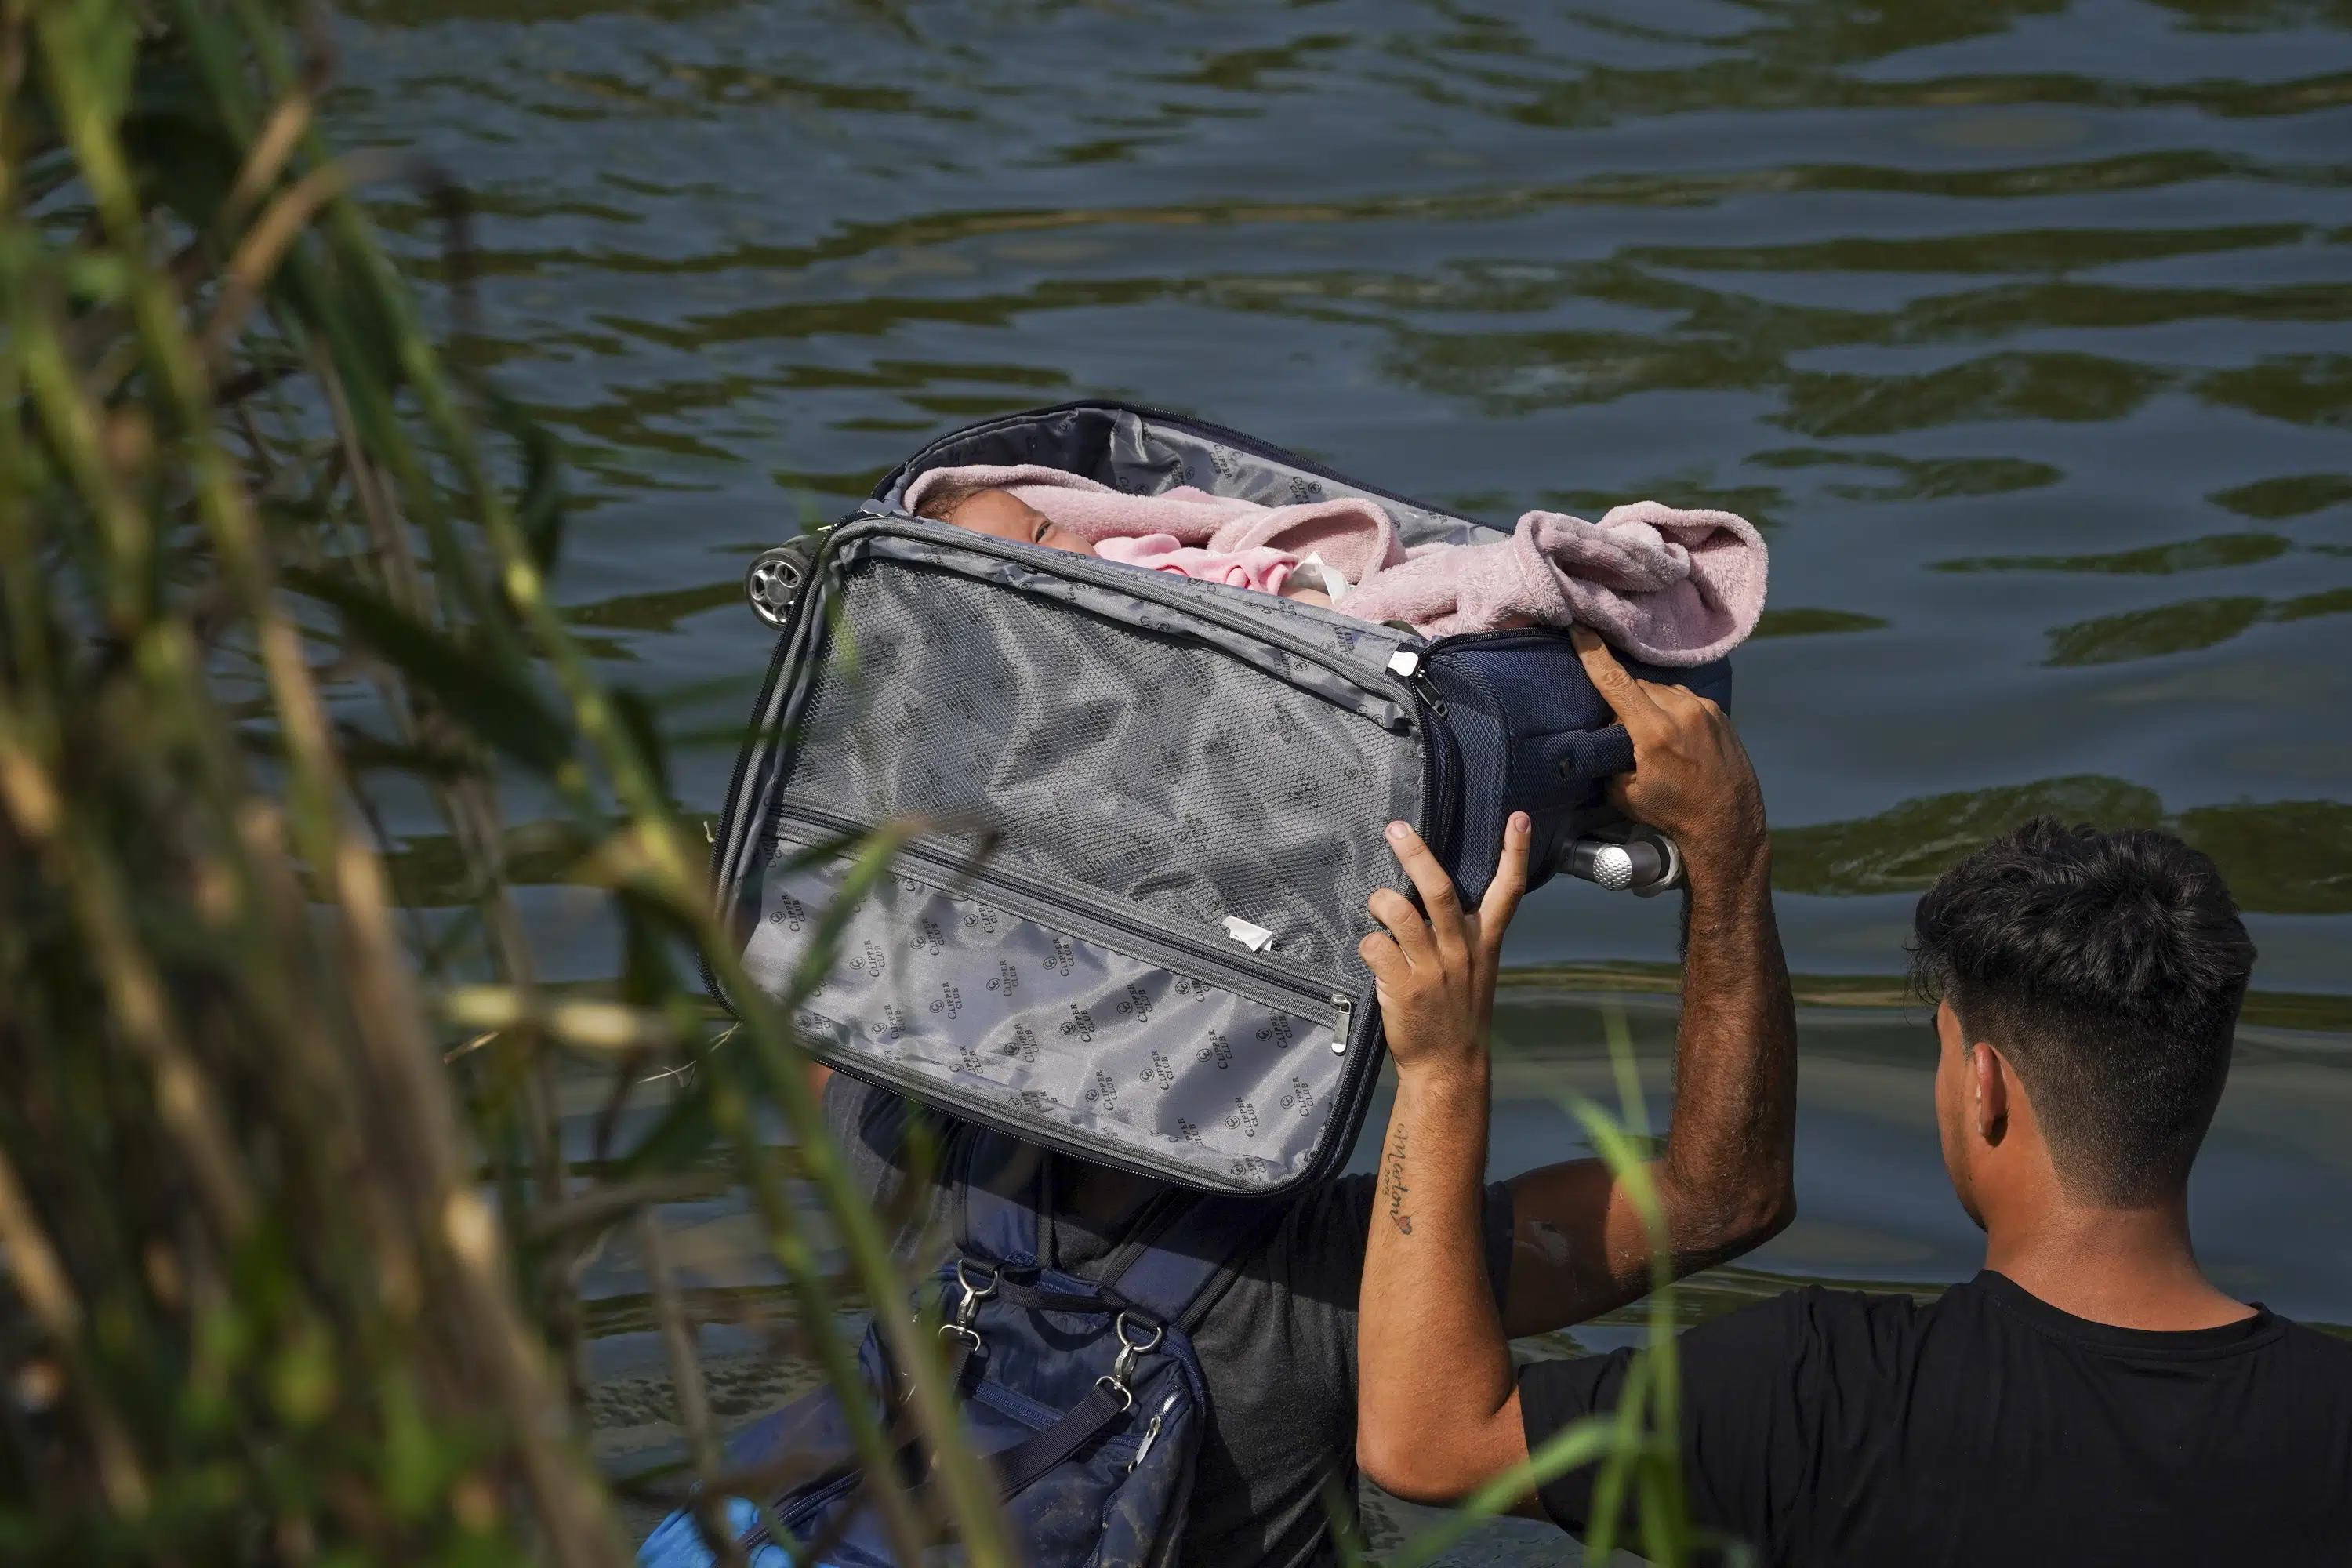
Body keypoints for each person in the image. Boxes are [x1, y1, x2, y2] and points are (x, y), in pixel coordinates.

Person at [812, 626, 1798, 1568]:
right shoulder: (1325, 1279)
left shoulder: (888, 1144)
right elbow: (1719, 1200)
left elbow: (822, 957)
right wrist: (1729, 857)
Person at [1355, 799, 2352, 1563]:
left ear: (1984, 1088)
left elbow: (1429, 1442)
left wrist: (1443, 1072)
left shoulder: (1826, 1391)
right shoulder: (2330, 1418)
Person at [914, 479, 1341, 605]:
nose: (1049, 557)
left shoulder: (1126, 558)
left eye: (1043, 532)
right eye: (1018, 562)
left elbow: (1219, 572)